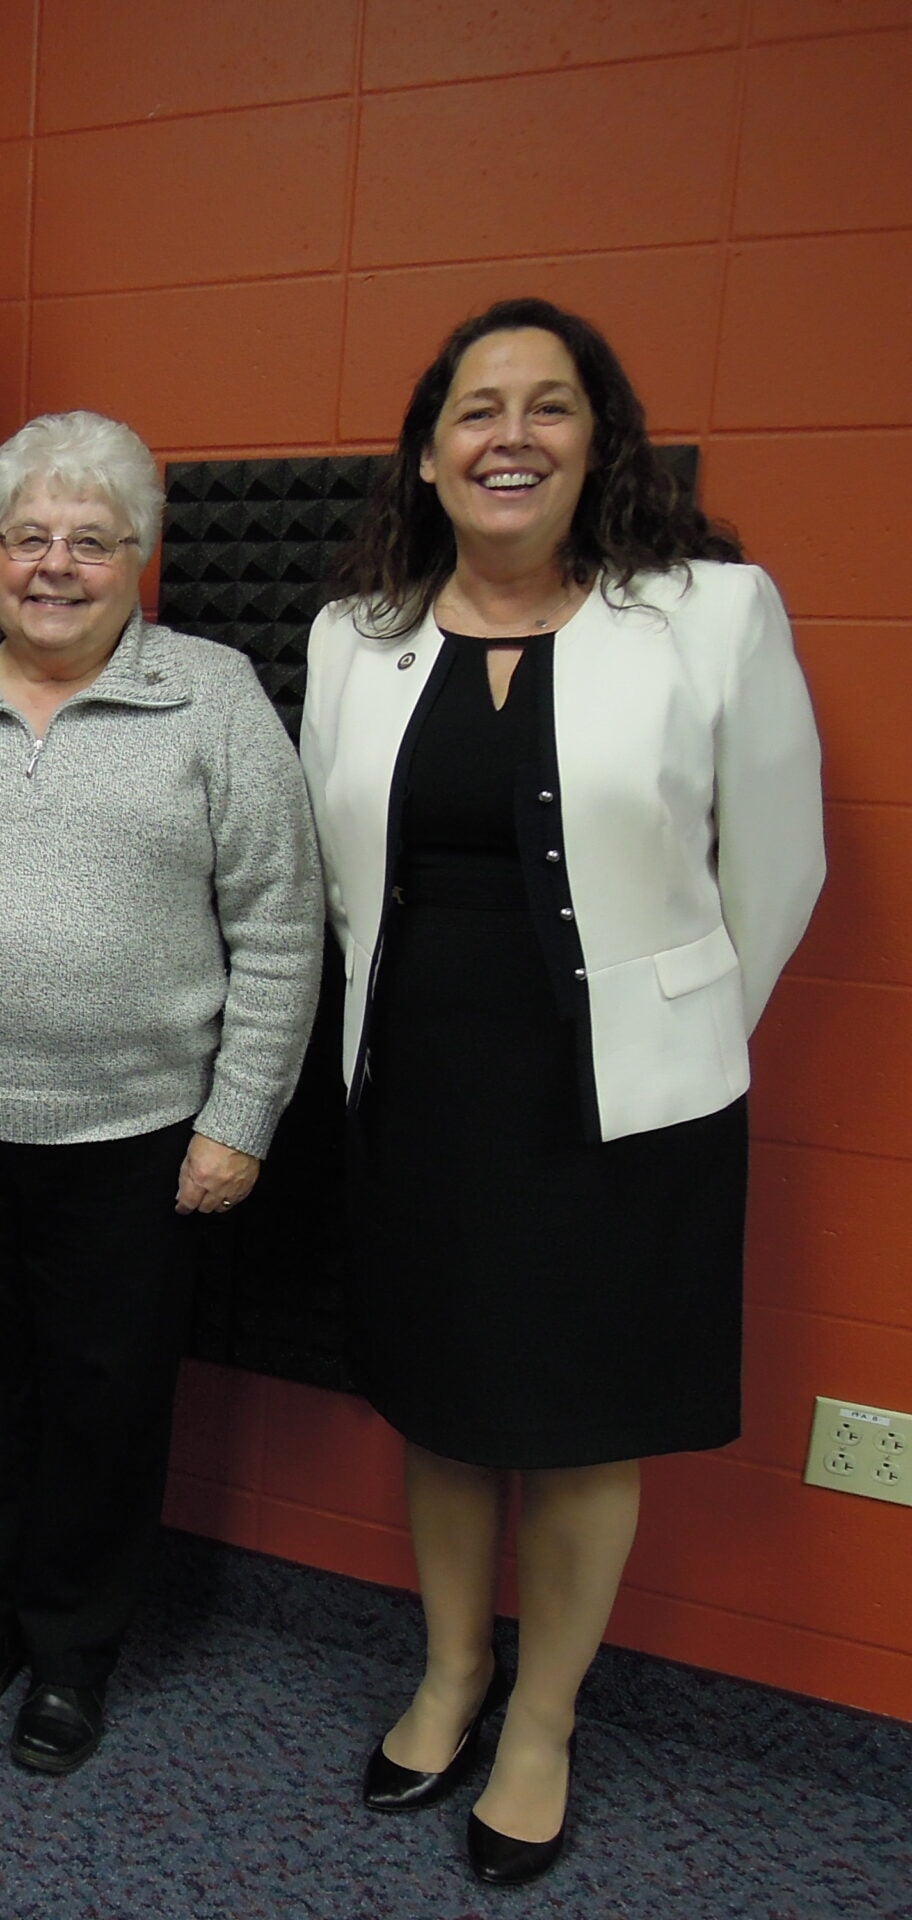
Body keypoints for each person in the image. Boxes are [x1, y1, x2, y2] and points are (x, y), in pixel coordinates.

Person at [300, 299, 824, 1886]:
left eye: (547, 407)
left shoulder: (711, 615)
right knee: (449, 1409)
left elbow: (781, 864)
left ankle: (541, 1718)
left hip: (630, 1097)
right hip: (424, 1082)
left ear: (601, 442)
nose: (508, 435)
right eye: (475, 408)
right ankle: (451, 1673)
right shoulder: (354, 634)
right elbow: (338, 886)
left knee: (590, 1424)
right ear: (429, 450)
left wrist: (686, 1033)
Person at [0, 411, 322, 1777]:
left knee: (103, 1406)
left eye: (93, 541)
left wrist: (238, 1120)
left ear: (141, 557)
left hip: (139, 1141)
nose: (57, 565)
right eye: (30, 537)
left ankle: (70, 1652)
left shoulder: (212, 695)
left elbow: (279, 919)